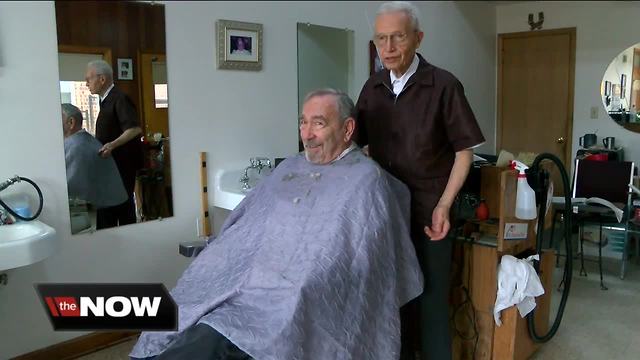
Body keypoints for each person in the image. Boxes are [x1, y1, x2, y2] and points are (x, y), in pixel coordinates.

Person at [130, 89, 423, 360]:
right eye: (303, 123)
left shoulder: (365, 179)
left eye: (318, 123)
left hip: (297, 286)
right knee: (192, 303)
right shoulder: (291, 166)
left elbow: (360, 251)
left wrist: (299, 274)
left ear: (347, 129)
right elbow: (247, 218)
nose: (307, 134)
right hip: (248, 271)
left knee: (225, 332)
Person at [355, 2, 486, 359]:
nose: (389, 47)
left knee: (430, 304)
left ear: (418, 38)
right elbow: (359, 146)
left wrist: (445, 204)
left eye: (398, 37)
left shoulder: (443, 85)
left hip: (431, 214)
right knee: (391, 302)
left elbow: (464, 152)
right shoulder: (373, 88)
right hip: (385, 214)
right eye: (381, 39)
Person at [85, 59, 144, 229]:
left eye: (89, 78)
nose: (86, 83)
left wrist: (111, 145)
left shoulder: (120, 98)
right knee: (111, 209)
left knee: (122, 209)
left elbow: (134, 129)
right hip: (111, 166)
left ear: (102, 79)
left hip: (122, 166)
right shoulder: (106, 100)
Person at [62, 103, 128, 210]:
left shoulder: (75, 146)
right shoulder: (86, 139)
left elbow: (70, 187)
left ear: (71, 122)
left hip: (102, 207)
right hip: (112, 202)